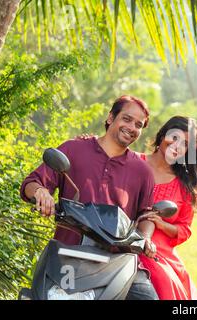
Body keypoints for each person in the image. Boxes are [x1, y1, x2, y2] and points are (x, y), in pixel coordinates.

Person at [20, 95, 159, 300]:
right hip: (68, 254)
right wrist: (41, 192)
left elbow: (146, 215)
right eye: (127, 119)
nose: (132, 127)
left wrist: (146, 238)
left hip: (117, 260)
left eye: (139, 125)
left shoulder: (142, 171)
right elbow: (32, 183)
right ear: (111, 117)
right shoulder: (73, 149)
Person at [138, 116, 197, 300]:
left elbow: (184, 229)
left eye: (184, 143)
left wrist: (161, 224)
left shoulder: (184, 186)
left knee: (163, 283)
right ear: (162, 135)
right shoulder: (133, 162)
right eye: (174, 137)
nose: (177, 146)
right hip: (123, 239)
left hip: (158, 253)